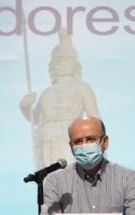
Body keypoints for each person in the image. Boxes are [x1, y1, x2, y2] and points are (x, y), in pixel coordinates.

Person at [42, 116, 135, 215]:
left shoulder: (128, 177)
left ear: (105, 142)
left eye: (91, 139)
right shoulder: (55, 181)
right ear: (71, 147)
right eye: (78, 141)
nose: (85, 145)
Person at [19, 29, 100, 168]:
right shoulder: (47, 92)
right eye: (58, 61)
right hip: (46, 140)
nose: (61, 64)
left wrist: (97, 146)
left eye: (66, 60)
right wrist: (25, 107)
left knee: (70, 176)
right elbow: (36, 118)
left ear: (73, 64)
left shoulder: (81, 87)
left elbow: (95, 118)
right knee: (49, 177)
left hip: (69, 138)